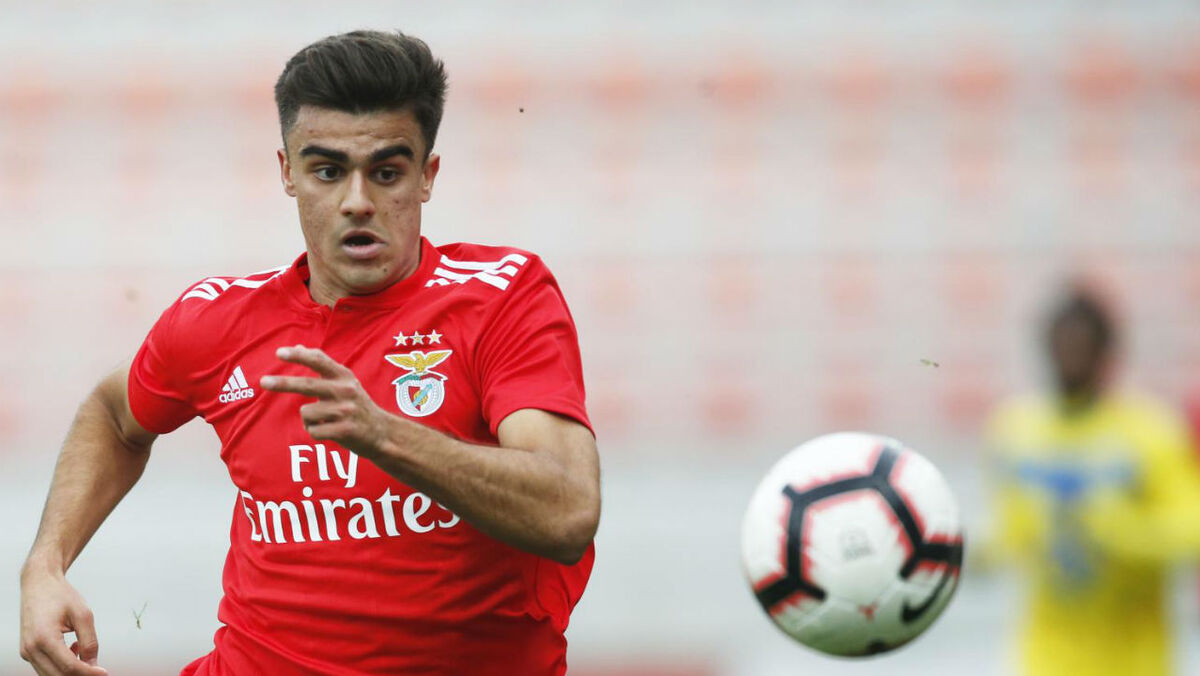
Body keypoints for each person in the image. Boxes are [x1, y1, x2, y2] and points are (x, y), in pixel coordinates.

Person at [18, 30, 601, 676]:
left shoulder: (502, 298)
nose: (357, 202)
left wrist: (385, 436)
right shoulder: (219, 320)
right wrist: (45, 565)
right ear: (287, 173)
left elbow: (568, 509)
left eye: (386, 172)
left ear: (427, 176)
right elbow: (114, 417)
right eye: (327, 171)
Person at [982, 286, 1200, 676]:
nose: (1070, 359)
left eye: (1081, 349)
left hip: (1135, 660)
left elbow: (1192, 530)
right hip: (1046, 658)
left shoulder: (1150, 430)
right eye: (1062, 348)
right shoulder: (1016, 429)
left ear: (1106, 354)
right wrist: (970, 554)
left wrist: (1126, 532)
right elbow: (1010, 535)